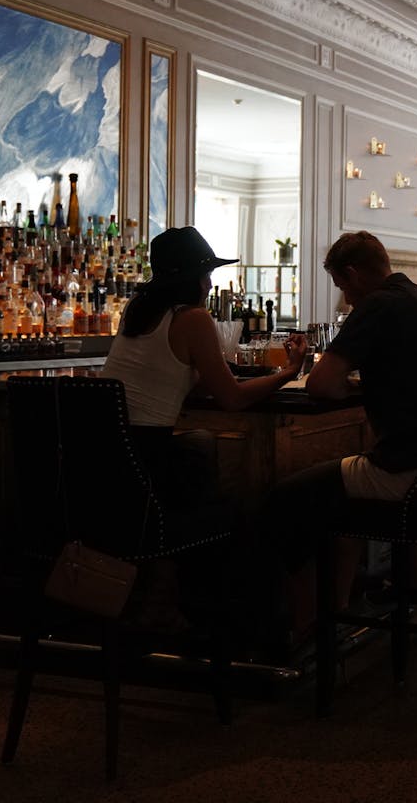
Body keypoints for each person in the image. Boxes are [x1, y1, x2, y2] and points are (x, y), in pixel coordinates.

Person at [100, 225, 308, 629]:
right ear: (194, 278)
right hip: (148, 470)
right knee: (245, 512)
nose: (211, 282)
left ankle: (165, 594)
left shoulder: (137, 312)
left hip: (110, 466)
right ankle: (246, 626)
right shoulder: (193, 319)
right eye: (207, 273)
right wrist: (289, 371)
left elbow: (163, 371)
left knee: (199, 454)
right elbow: (231, 399)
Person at [265, 231, 417, 631]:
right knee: (336, 491)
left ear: (352, 275)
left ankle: (307, 625)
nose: (346, 299)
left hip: (401, 470)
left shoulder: (376, 306)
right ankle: (339, 605)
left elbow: (320, 385)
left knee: (286, 497)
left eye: (341, 287)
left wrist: (350, 383)